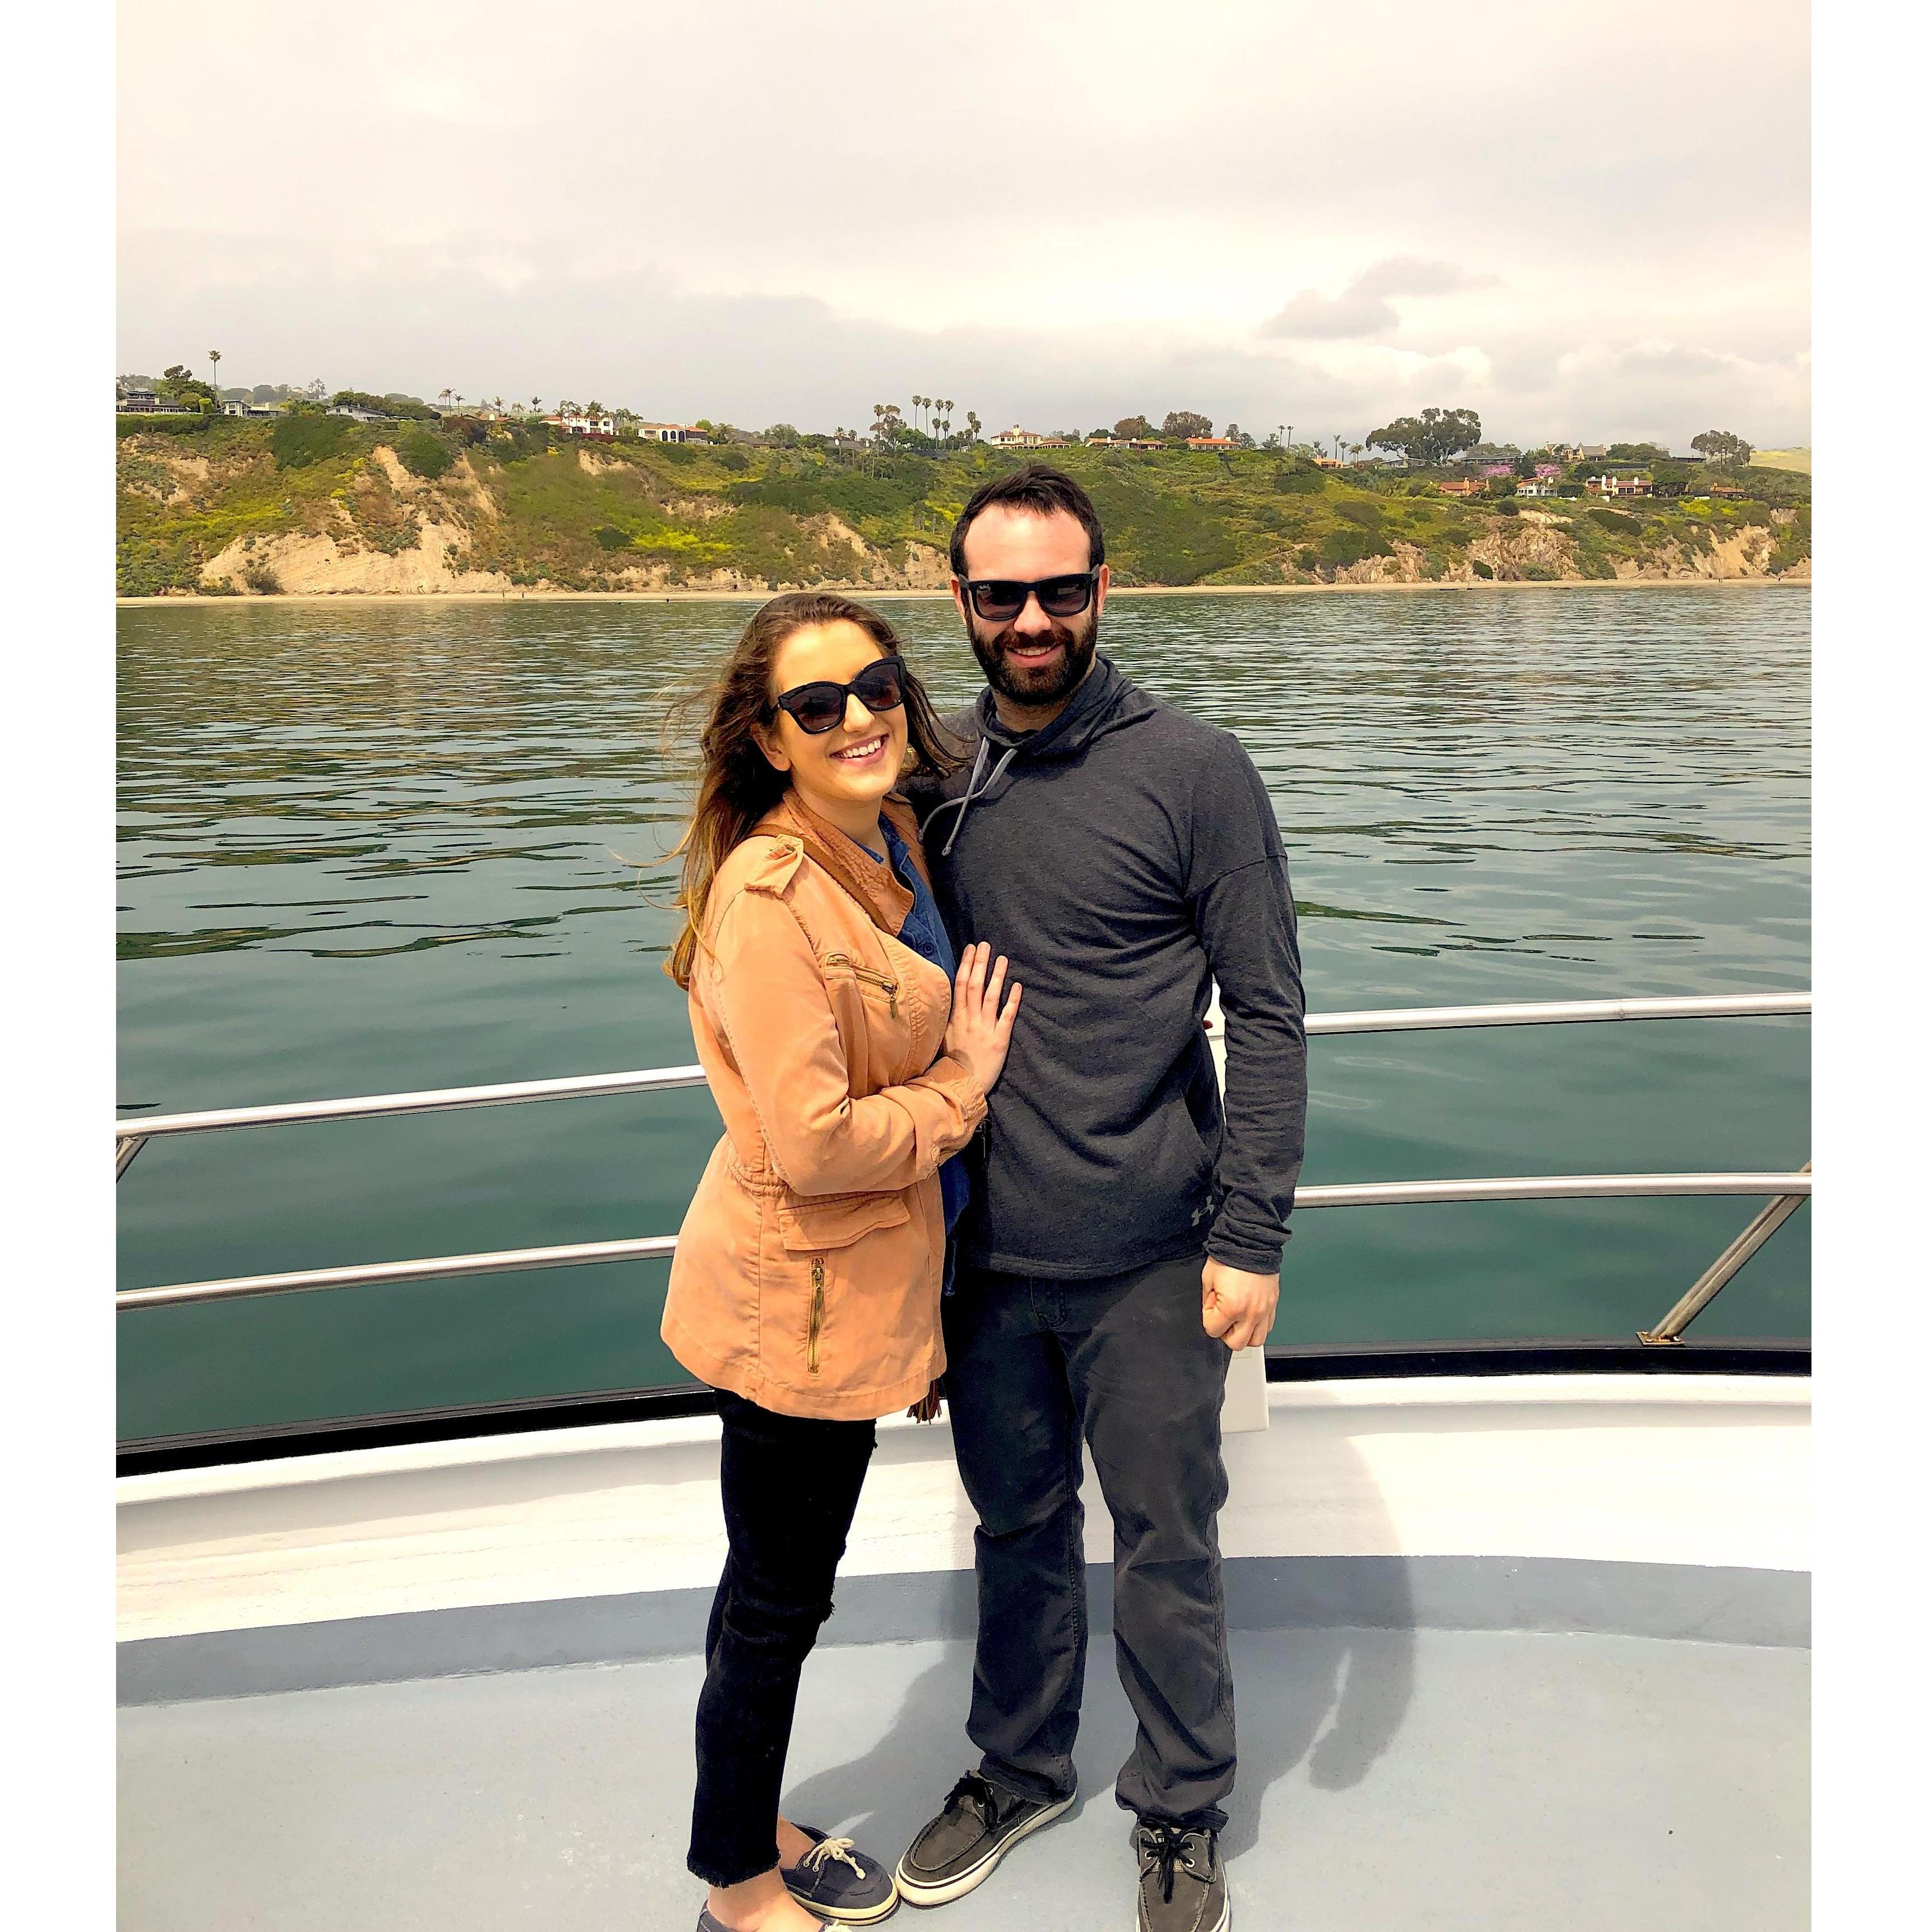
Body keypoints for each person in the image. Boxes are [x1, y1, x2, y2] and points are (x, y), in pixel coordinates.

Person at [896, 467, 1307, 1932]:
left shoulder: (1195, 770)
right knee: (1012, 1526)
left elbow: (1267, 1011)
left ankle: (1180, 1803)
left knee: (1164, 1540)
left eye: (1058, 590)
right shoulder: (926, 778)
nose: (1030, 619)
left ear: (1100, 591)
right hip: (982, 1260)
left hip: (1153, 1252)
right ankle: (1017, 1766)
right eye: (999, 593)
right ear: (960, 599)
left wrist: (1250, 1229)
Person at [660, 591, 1022, 1932]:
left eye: (874, 687)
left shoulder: (888, 838)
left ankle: (745, 1816)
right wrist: (964, 1081)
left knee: (769, 1588)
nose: (857, 718)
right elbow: (815, 1145)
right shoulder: (771, 898)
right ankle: (736, 1885)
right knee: (776, 1603)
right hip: (792, 1306)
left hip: (850, 1289)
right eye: (816, 705)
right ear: (770, 739)